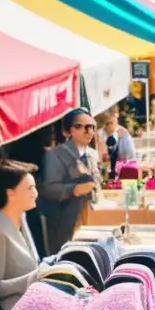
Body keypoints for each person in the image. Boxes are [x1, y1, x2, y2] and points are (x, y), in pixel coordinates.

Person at [0, 160, 42, 310]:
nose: (35, 193)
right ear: (10, 193)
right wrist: (36, 277)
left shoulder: (22, 216)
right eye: (29, 188)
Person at [38, 108, 99, 255]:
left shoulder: (91, 155)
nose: (88, 131)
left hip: (86, 219)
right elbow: (47, 189)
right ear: (68, 131)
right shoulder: (55, 155)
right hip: (62, 223)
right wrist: (74, 189)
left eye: (91, 126)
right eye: (80, 127)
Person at [96, 107, 135, 180]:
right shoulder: (98, 135)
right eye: (107, 123)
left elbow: (130, 158)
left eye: (111, 122)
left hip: (121, 173)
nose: (109, 125)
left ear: (116, 121)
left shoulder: (124, 135)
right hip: (103, 173)